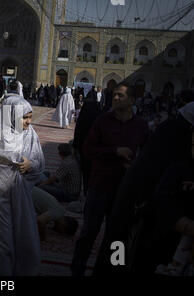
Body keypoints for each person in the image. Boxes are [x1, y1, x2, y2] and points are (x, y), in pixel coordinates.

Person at [94, 102, 194, 276]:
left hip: (136, 204)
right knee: (123, 249)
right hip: (138, 208)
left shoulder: (166, 132)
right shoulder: (176, 139)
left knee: (121, 245)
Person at [71, 83, 149, 276]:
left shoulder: (141, 125)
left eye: (120, 96)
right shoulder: (102, 121)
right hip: (100, 185)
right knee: (89, 232)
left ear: (132, 100)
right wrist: (115, 151)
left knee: (117, 235)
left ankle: (111, 271)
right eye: (114, 95)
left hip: (124, 190)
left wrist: (135, 166)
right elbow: (88, 149)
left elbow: (146, 156)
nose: (115, 98)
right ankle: (77, 270)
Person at [0, 95, 45, 276]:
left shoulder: (30, 134)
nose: (28, 122)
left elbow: (39, 162)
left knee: (23, 235)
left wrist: (30, 164)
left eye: (30, 117)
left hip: (19, 192)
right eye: (25, 117)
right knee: (1, 240)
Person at [72, 99, 102, 196]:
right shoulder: (100, 119)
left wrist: (75, 147)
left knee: (85, 173)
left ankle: (85, 192)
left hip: (84, 150)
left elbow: (78, 134)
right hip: (97, 152)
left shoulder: (83, 118)